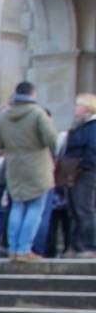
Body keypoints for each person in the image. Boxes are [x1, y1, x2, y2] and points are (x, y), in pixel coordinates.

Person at [0, 81, 57, 261]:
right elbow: (51, 138)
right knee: (35, 208)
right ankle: (24, 249)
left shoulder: (3, 117)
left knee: (17, 206)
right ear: (32, 94)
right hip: (38, 167)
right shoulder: (38, 113)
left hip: (14, 167)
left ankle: (13, 248)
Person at [67, 93, 96, 257]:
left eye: (78, 105)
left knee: (85, 209)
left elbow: (93, 150)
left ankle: (89, 246)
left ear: (87, 108)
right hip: (75, 172)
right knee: (75, 210)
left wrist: (82, 167)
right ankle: (76, 245)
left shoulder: (92, 127)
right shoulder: (80, 126)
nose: (75, 108)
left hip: (86, 172)